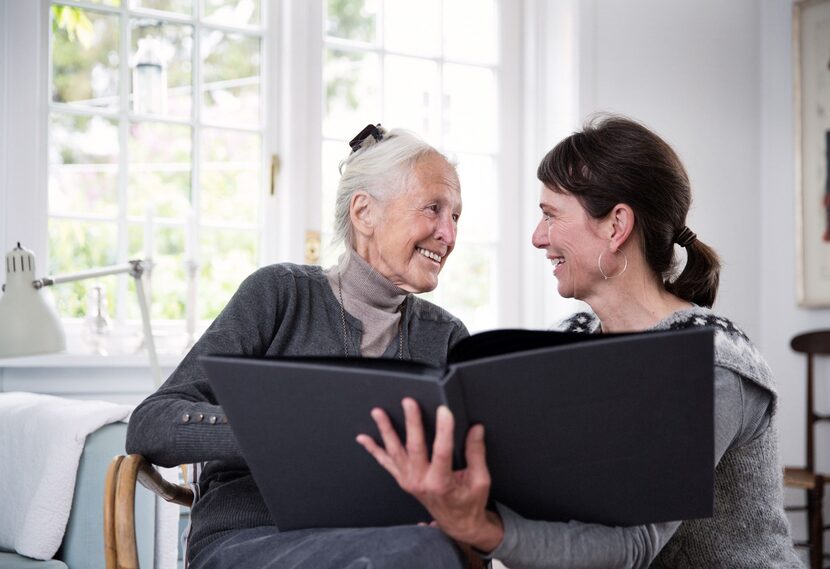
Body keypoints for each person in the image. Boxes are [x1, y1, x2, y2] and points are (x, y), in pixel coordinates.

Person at [358, 115, 805, 568]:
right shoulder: (567, 344)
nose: (538, 238)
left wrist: (481, 528)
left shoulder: (711, 367)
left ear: (616, 226)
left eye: (551, 215)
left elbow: (632, 548)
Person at [126, 124, 474, 569]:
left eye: (456, 216)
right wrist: (284, 431)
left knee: (426, 550)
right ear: (364, 212)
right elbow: (152, 424)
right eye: (433, 208)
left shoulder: (446, 337)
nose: (449, 233)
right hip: (250, 542)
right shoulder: (280, 294)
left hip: (388, 544)